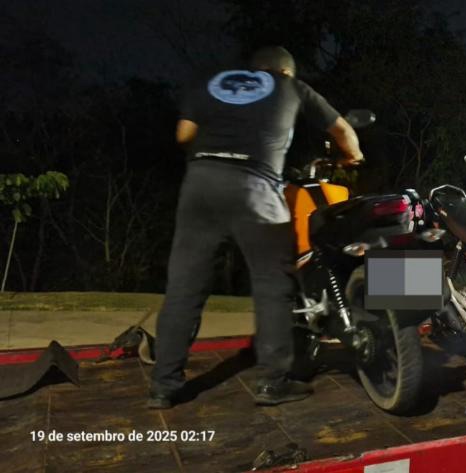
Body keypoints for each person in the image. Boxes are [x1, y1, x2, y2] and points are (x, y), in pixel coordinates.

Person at [149, 46, 364, 409]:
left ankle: (163, 386)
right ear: (285, 72)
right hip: (257, 186)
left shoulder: (215, 82)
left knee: (184, 289)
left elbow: (184, 134)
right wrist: (353, 155)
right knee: (272, 286)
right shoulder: (292, 87)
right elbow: (342, 129)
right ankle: (273, 382)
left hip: (200, 184)